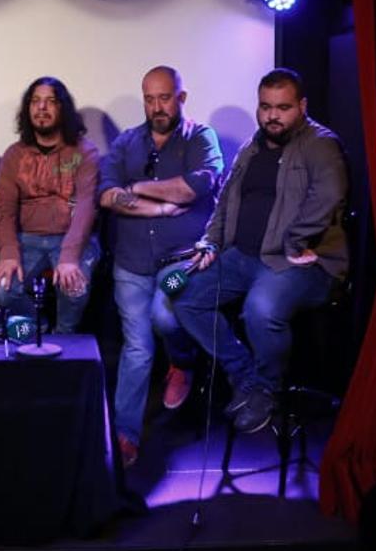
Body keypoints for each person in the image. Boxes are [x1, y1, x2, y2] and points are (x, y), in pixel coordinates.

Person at [171, 68, 348, 434]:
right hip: (243, 256)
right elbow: (225, 203)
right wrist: (210, 243)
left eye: (282, 107)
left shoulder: (320, 144)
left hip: (295, 260)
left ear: (301, 106)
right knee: (182, 293)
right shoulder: (252, 147)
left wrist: (294, 242)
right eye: (266, 107)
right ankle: (248, 376)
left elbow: (329, 197)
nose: (272, 116)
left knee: (260, 309)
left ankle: (268, 389)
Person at [98, 66, 221, 466]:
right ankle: (125, 435)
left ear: (181, 98)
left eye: (164, 98)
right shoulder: (126, 143)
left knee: (166, 320)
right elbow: (105, 195)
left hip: (180, 262)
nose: (156, 107)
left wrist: (136, 189)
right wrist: (162, 208)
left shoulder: (201, 138)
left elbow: (196, 186)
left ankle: (182, 361)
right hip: (131, 263)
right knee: (136, 349)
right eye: (149, 99)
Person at [0, 76, 100, 333]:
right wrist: (8, 255)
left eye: (50, 102)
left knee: (75, 286)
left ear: (63, 108)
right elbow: (2, 208)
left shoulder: (85, 152)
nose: (42, 108)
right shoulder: (14, 155)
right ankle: (40, 326)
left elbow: (85, 208)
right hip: (27, 239)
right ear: (28, 109)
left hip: (72, 238)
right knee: (0, 289)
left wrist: (70, 258)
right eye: (35, 101)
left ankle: (64, 336)